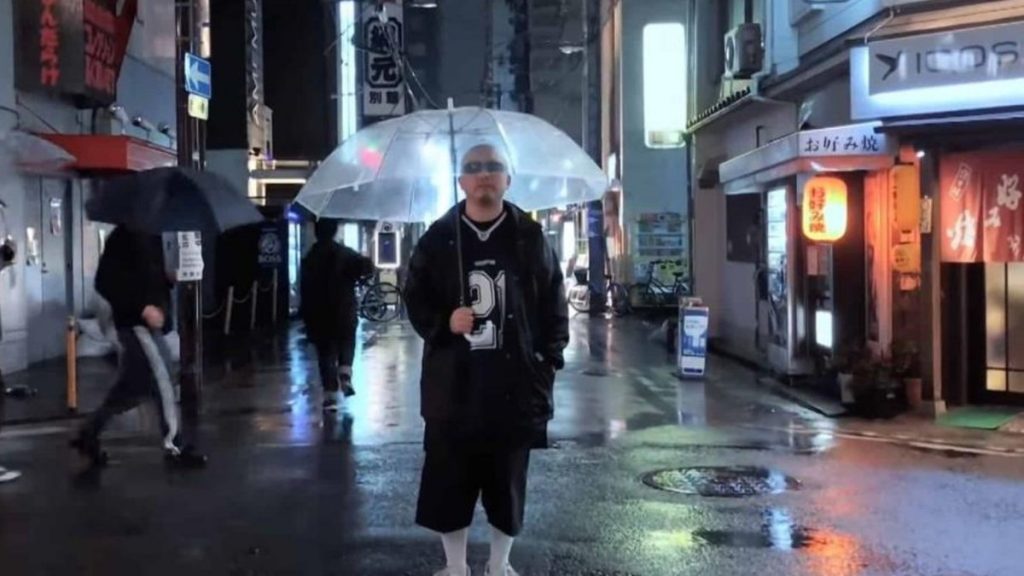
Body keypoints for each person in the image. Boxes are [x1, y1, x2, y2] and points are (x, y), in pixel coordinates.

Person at [404, 143, 569, 576]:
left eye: (493, 167)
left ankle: (500, 563)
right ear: (460, 180)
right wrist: (445, 321)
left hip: (513, 385)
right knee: (449, 482)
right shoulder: (439, 238)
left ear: (507, 179)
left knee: (507, 483)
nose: (483, 174)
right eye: (473, 167)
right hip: (453, 388)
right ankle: (455, 566)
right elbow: (415, 297)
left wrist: (547, 359)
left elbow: (554, 299)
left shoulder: (528, 237)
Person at [71, 225, 206, 469]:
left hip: (148, 325)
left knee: (131, 388)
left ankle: (88, 433)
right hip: (136, 324)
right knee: (163, 377)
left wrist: (168, 279)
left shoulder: (151, 236)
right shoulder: (124, 236)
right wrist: (142, 308)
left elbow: (146, 280)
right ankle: (174, 445)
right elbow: (105, 282)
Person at [300, 219, 374, 412]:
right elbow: (365, 269)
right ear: (334, 231)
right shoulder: (345, 253)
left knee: (325, 354)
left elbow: (304, 290)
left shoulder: (310, 257)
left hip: (319, 313)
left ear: (316, 232)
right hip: (344, 310)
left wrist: (306, 317)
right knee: (347, 341)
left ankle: (330, 397)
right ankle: (345, 372)